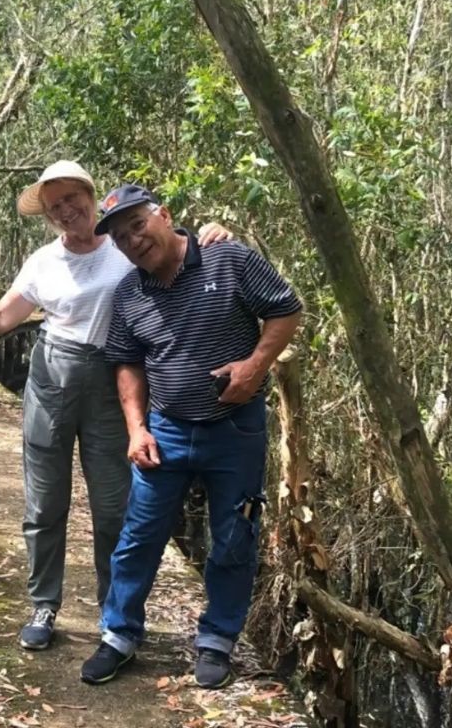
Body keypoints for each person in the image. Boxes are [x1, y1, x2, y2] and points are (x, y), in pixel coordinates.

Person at [0, 161, 232, 651]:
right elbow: (2, 319)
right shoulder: (43, 261)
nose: (67, 210)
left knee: (114, 506)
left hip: (113, 381)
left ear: (91, 196)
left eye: (73, 198)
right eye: (56, 206)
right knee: (45, 503)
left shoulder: (126, 244)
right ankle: (44, 605)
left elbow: (177, 251)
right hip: (50, 376)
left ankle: (115, 612)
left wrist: (214, 235)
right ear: (48, 216)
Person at [79, 183, 302, 689]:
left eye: (138, 225)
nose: (133, 240)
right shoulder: (129, 293)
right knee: (138, 536)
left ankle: (217, 641)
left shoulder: (230, 260)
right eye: (121, 237)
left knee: (233, 536)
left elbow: (286, 309)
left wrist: (254, 366)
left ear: (164, 215)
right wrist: (137, 429)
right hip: (167, 430)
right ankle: (119, 635)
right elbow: (127, 363)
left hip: (235, 430)